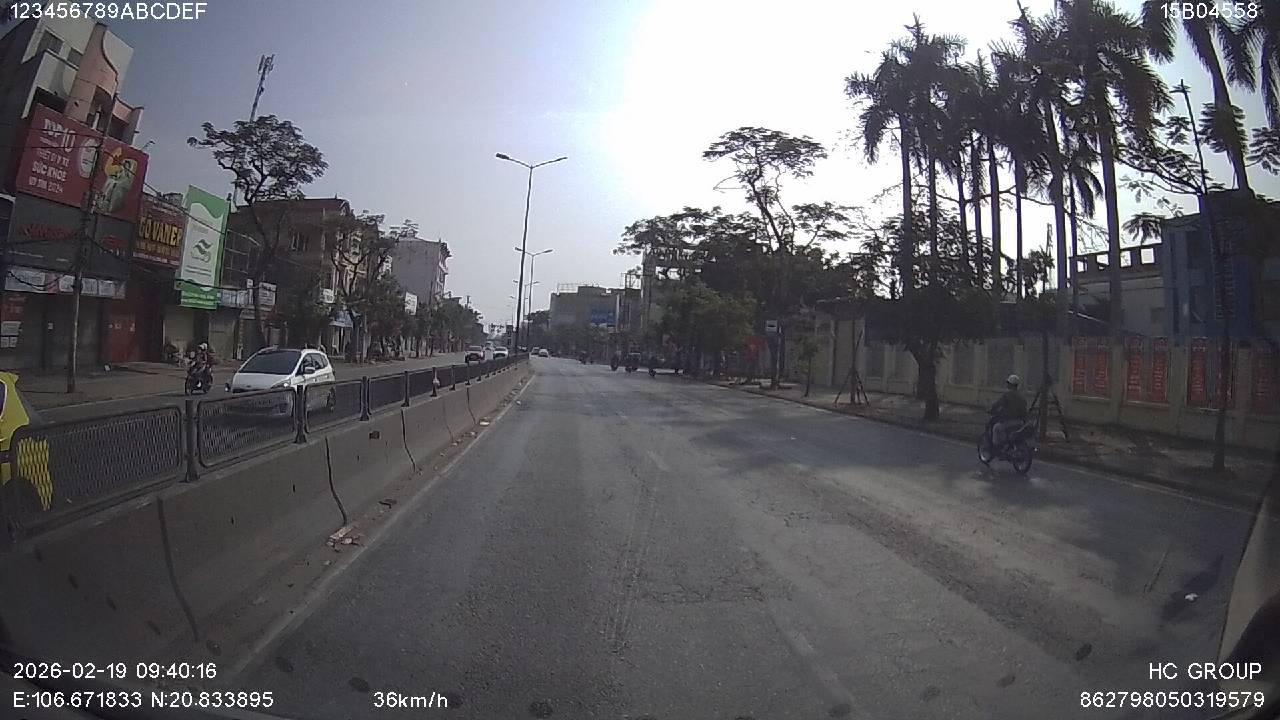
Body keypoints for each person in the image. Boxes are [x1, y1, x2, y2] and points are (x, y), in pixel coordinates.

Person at [988, 374, 1028, 451]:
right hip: (1020, 422)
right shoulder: (1022, 396)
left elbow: (997, 404)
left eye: (1008, 383)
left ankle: (997, 447)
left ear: (1010, 384)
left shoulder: (1007, 395)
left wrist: (991, 410)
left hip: (1009, 421)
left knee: (996, 428)